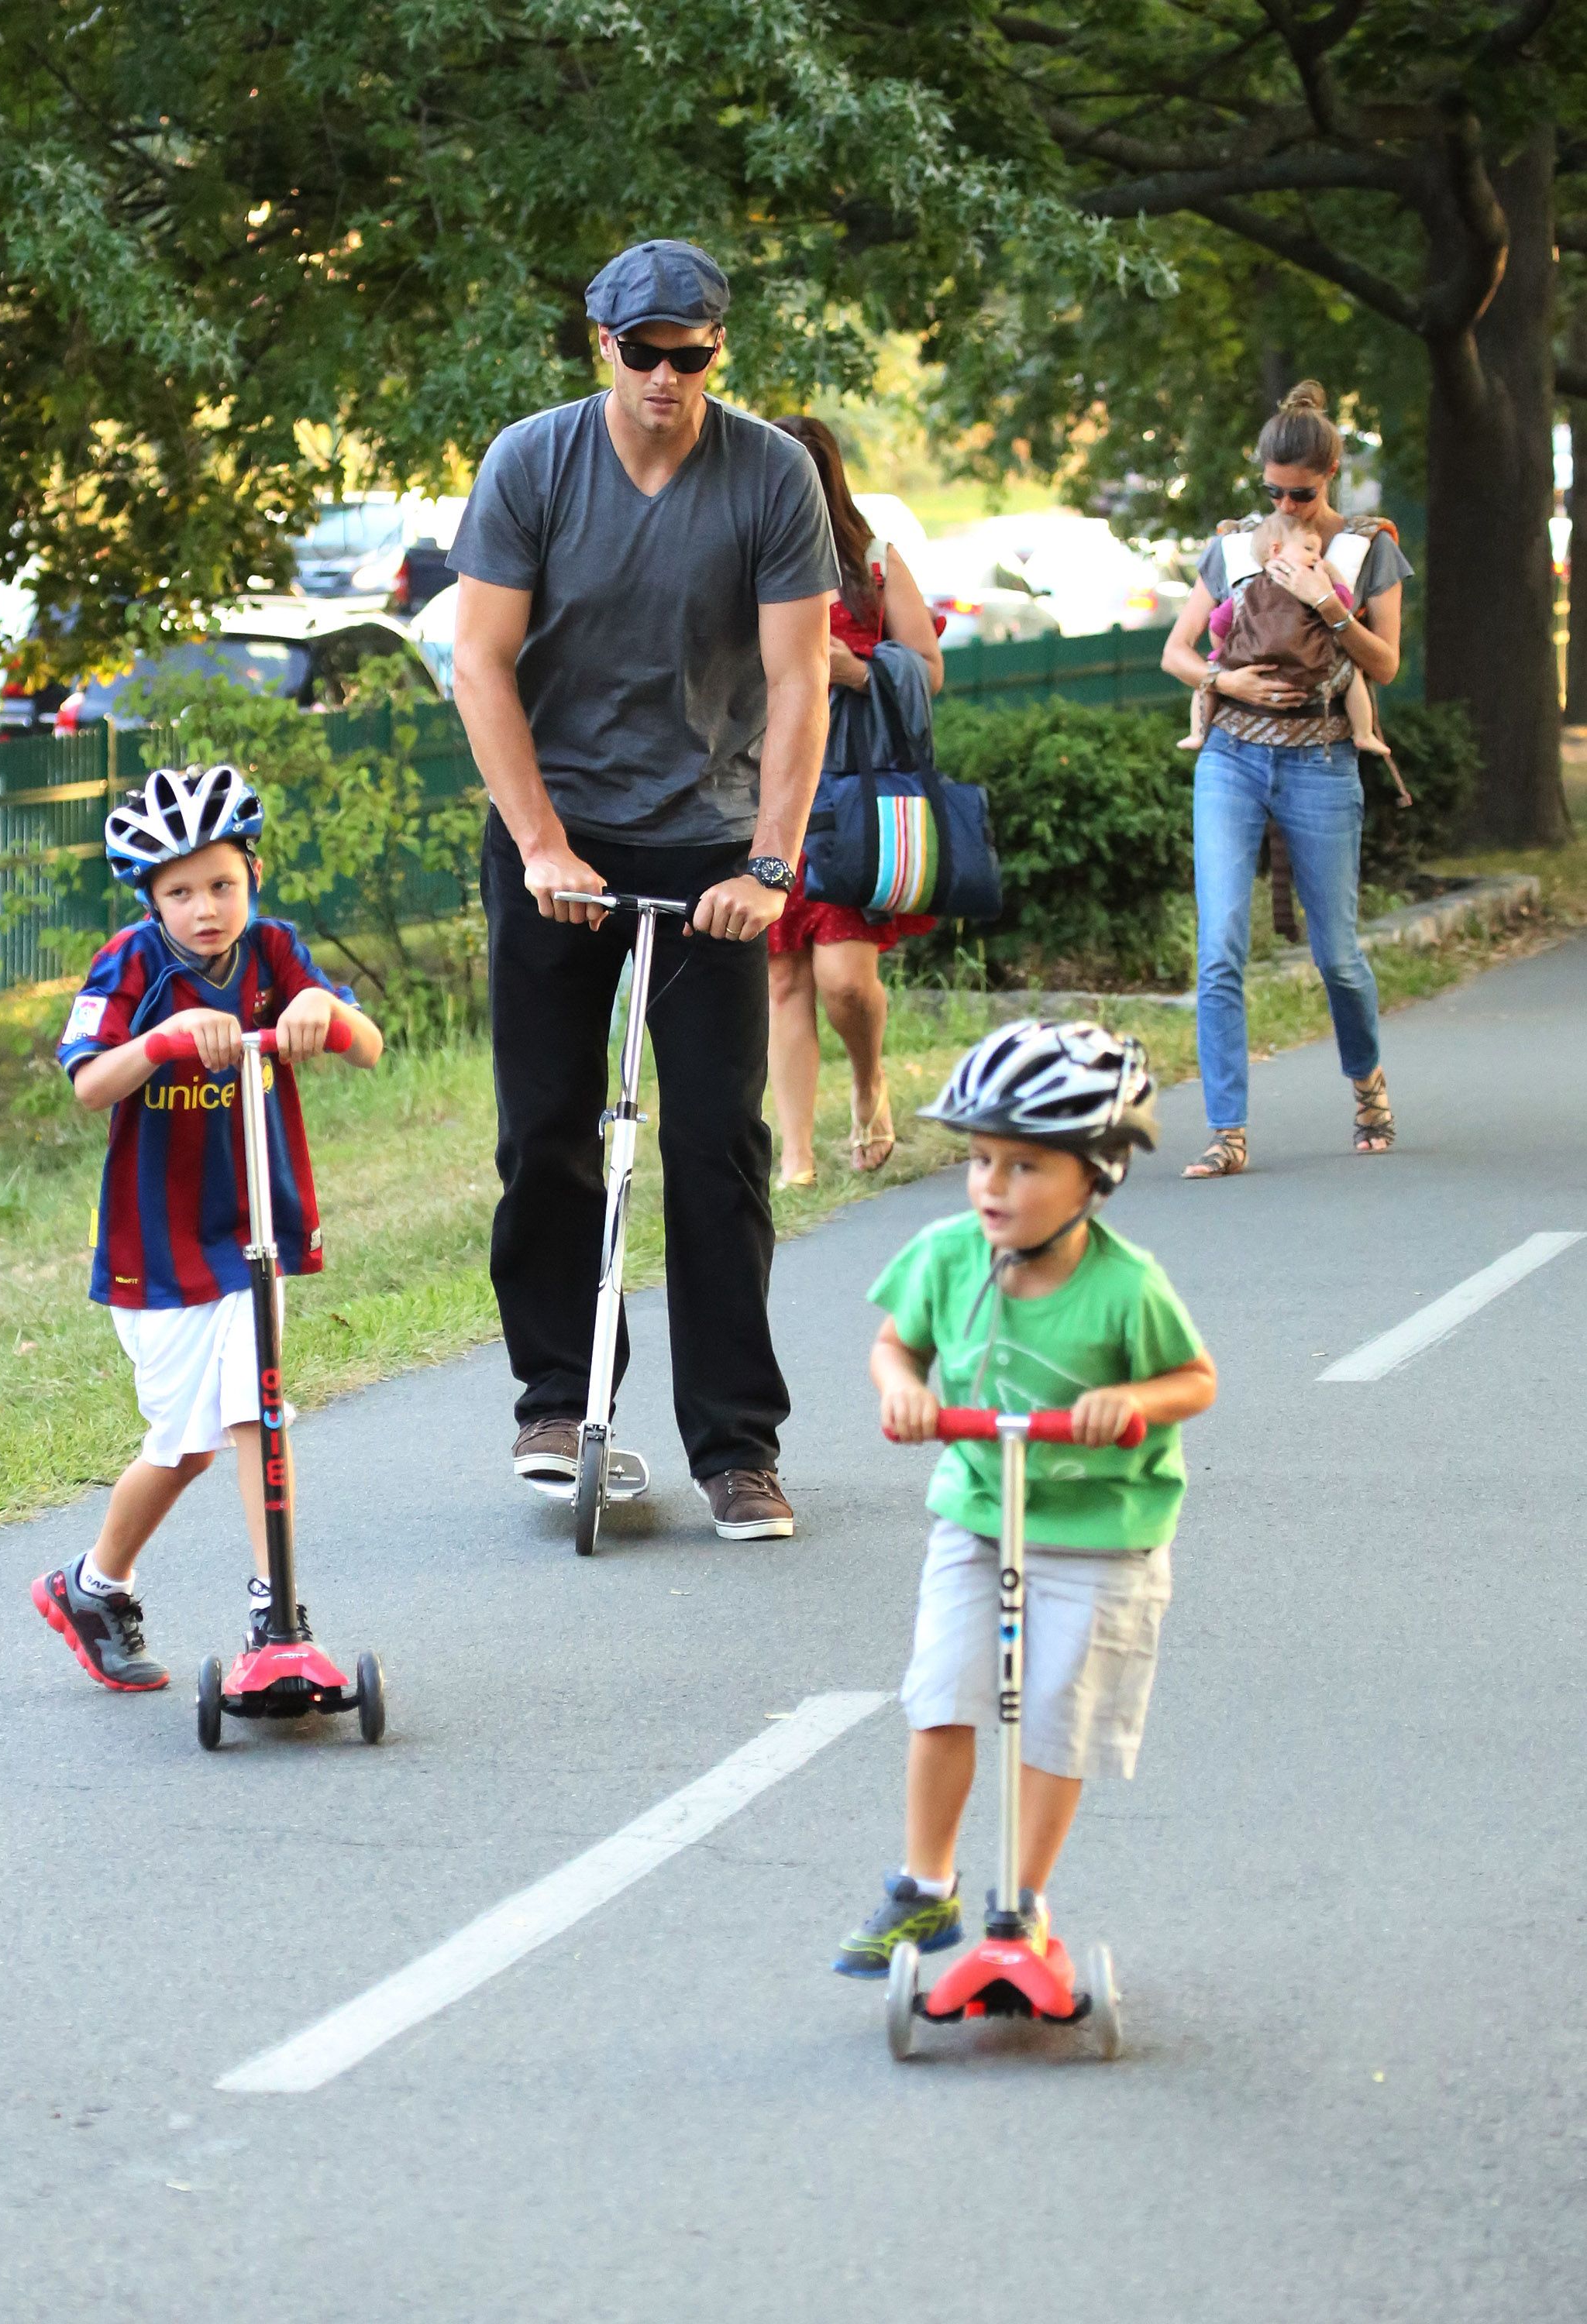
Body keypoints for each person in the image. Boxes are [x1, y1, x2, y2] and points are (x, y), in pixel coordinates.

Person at [448, 239, 838, 1542]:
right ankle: (558, 1403)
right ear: (597, 343)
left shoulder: (770, 477)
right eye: (640, 352)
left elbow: (797, 683)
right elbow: (480, 667)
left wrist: (769, 862)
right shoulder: (532, 463)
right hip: (554, 836)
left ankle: (736, 1446)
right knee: (546, 1131)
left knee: (716, 1147)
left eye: (689, 355)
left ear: (716, 349)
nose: (664, 377)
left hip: (707, 847)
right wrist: (545, 844)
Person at [832, 1019, 1217, 1976]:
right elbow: (893, 1345)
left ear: (1099, 1173)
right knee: (942, 1692)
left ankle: (1022, 1905)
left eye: (1025, 1167)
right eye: (980, 1162)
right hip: (977, 1512)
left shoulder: (1127, 1287)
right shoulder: (947, 1255)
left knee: (1055, 1713)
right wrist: (904, 1390)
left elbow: (1193, 1379)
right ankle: (925, 1890)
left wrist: (1128, 1400)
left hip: (1102, 1536)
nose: (992, 1188)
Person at [31, 764, 383, 1690]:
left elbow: (368, 1044)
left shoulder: (273, 953)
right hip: (157, 1248)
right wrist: (161, 1042)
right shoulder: (132, 964)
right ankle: (93, 1584)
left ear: (252, 877)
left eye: (221, 884)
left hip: (250, 1232)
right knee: (183, 1446)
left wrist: (323, 1009)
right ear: (152, 901)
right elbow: (85, 1084)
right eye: (180, 893)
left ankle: (278, 1614)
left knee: (252, 1412)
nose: (205, 909)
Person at [1162, 380, 1410, 1177]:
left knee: (1338, 955)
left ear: (1329, 475)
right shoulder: (1233, 546)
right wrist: (1220, 682)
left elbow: (1386, 664)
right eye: (1272, 490)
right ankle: (1226, 1129)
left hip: (1321, 757)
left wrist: (1327, 606)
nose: (1285, 505)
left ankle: (1366, 1086)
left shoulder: (1366, 548)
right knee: (1219, 948)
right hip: (1232, 756)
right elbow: (1176, 650)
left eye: (1298, 493)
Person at [764, 417, 945, 1187]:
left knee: (842, 976)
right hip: (765, 789)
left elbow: (928, 669)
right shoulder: (741, 558)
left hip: (851, 792)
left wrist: (857, 669)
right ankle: (797, 1155)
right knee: (782, 976)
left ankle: (869, 1080)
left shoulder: (871, 561)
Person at [1179, 510, 1391, 765]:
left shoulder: (1251, 586)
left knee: (1207, 683)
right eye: (1309, 549)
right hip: (1285, 663)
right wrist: (1332, 580)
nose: (1317, 557)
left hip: (1269, 663)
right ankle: (1198, 732)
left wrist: (1222, 650)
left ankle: (1363, 733)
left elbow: (1219, 622)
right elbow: (1344, 602)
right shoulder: (1258, 585)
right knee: (1350, 675)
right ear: (1276, 549)